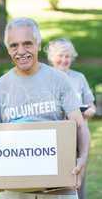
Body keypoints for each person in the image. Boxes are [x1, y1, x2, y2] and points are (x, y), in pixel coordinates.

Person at [0, 18, 90, 199]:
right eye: (14, 45)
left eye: (27, 43)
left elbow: (79, 125)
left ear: (38, 44)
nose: (21, 51)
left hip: (57, 187)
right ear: (8, 49)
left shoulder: (59, 80)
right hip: (14, 189)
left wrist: (83, 158)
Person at [47, 38, 96, 199]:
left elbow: (91, 105)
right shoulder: (45, 78)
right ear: (51, 57)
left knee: (78, 174)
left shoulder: (79, 78)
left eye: (68, 56)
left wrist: (89, 111)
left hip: (79, 134)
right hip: (55, 135)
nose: (64, 60)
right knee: (54, 175)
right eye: (60, 55)